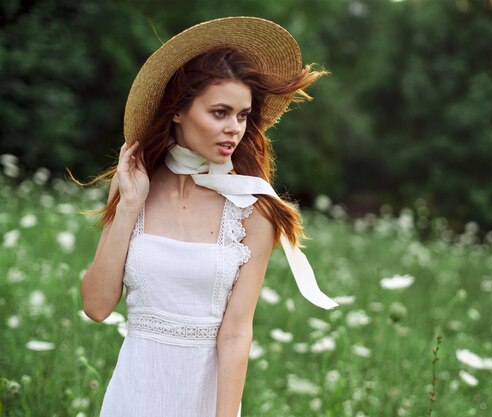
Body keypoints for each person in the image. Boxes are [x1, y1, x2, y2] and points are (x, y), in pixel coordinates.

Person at [80, 17, 337, 417]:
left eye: (242, 116)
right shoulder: (134, 187)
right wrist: (129, 205)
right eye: (220, 112)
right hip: (132, 396)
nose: (234, 129)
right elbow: (96, 307)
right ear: (179, 111)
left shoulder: (253, 209)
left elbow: (236, 334)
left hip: (204, 402)